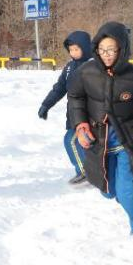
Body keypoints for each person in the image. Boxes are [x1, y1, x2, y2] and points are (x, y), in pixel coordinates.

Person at [67, 22, 133, 236]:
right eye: (102, 50)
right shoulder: (86, 72)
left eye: (112, 50)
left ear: (122, 49)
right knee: (108, 191)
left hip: (129, 141)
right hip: (98, 142)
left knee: (125, 188)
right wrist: (80, 123)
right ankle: (125, 194)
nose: (106, 55)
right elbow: (75, 96)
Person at [38, 30, 94, 184]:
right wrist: (46, 104)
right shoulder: (69, 67)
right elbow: (59, 88)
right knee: (81, 143)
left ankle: (85, 172)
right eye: (71, 50)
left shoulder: (94, 66)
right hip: (74, 115)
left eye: (76, 49)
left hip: (90, 116)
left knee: (71, 140)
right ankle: (93, 171)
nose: (73, 53)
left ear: (86, 48)